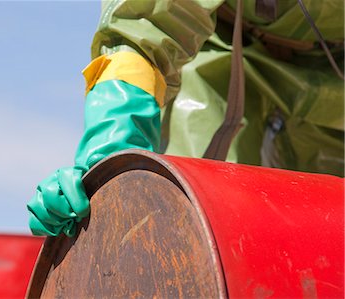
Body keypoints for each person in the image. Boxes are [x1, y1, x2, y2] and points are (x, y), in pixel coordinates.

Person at [28, 0, 344, 237]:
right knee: (199, 217)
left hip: (336, 77)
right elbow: (143, 29)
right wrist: (108, 162)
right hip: (225, 54)